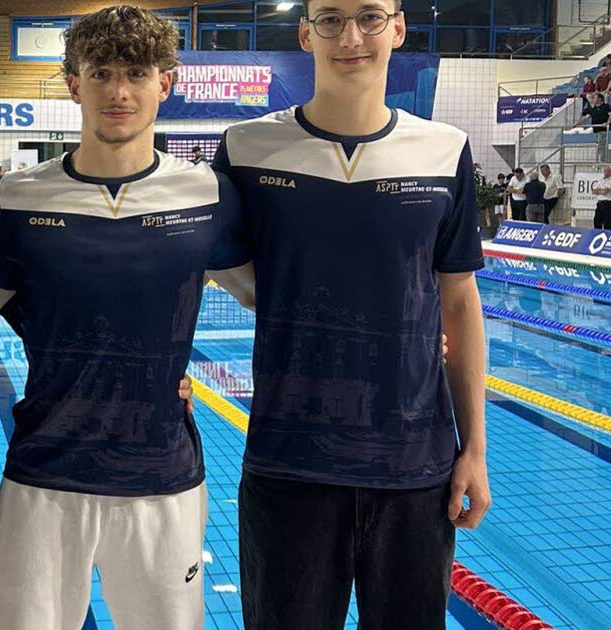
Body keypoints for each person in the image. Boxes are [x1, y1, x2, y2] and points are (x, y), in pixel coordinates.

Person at [209, 1, 490, 628]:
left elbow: (460, 302)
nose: (350, 37)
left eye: (369, 16)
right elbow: (206, 262)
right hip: (289, 462)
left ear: (398, 28)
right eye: (330, 19)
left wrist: (474, 449)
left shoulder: (445, 150)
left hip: (414, 468)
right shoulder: (248, 148)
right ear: (306, 32)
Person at [0, 7, 241, 629]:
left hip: (162, 477)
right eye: (101, 73)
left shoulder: (206, 195)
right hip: (44, 474)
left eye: (137, 73)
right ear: (73, 84)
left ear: (165, 83)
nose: (119, 91)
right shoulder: (17, 198)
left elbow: (271, 297)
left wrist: (402, 329)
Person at [577, 92, 611, 161]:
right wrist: (577, 123)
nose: (593, 99)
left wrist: (608, 122)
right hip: (596, 131)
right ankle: (602, 160)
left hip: (603, 130)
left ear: (599, 99)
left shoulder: (606, 106)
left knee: (602, 146)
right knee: (599, 146)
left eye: (594, 98)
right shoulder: (594, 108)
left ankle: (603, 161)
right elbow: (586, 117)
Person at [593, 165, 611, 229]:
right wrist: (601, 190)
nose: (606, 172)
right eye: (605, 171)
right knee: (597, 222)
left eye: (608, 171)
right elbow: (594, 191)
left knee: (607, 223)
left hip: (607, 204)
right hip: (599, 204)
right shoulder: (601, 180)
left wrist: (599, 190)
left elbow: (605, 191)